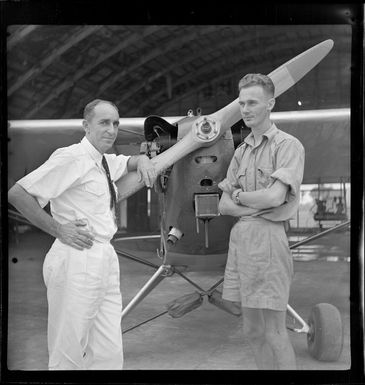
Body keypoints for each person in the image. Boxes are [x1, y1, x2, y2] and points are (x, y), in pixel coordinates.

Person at [8, 99, 157, 370]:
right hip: (76, 257)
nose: (111, 129)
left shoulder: (104, 161)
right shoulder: (71, 157)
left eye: (115, 123)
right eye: (103, 123)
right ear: (86, 126)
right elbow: (18, 193)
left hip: (104, 257)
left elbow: (129, 161)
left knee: (108, 351)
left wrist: (143, 159)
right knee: (69, 351)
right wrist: (58, 229)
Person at [218, 74, 305, 370]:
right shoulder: (240, 152)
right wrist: (250, 202)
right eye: (241, 103)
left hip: (269, 240)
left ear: (270, 104)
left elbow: (274, 198)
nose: (245, 109)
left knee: (275, 332)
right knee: (252, 331)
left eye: (252, 102)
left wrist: (239, 196)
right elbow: (222, 205)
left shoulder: (288, 146)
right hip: (241, 241)